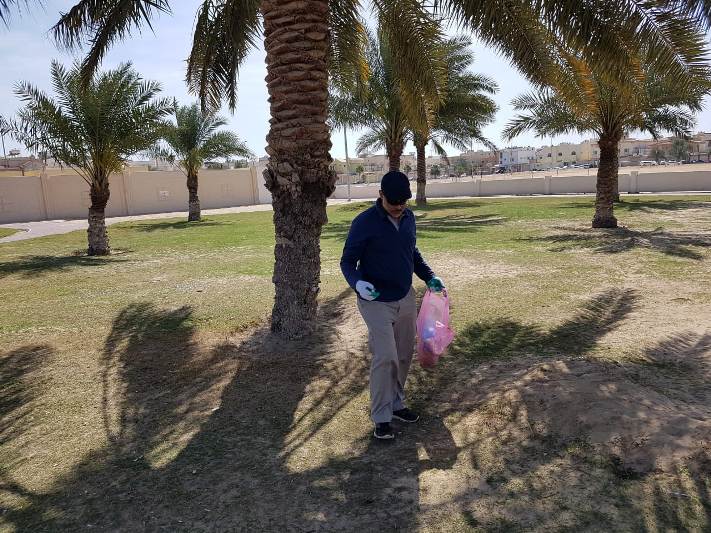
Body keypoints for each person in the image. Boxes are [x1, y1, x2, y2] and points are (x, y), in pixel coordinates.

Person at [340, 170, 444, 440]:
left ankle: (397, 404)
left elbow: (412, 252)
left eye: (403, 202)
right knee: (385, 357)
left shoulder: (409, 218)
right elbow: (347, 262)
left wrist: (429, 276)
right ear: (380, 195)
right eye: (393, 202)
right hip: (375, 301)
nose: (399, 207)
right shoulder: (364, 222)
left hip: (404, 296)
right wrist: (358, 283)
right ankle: (381, 417)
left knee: (403, 355)